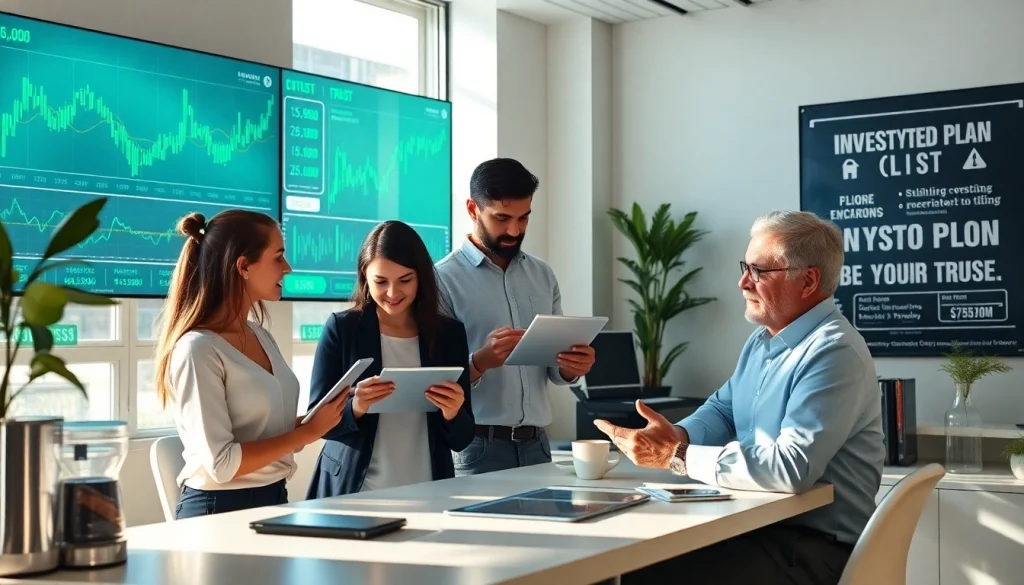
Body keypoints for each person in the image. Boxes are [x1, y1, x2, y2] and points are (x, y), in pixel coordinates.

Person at [595, 210, 885, 585]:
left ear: (808, 280)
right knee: (629, 562)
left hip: (813, 549)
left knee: (639, 574)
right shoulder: (763, 340)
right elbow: (724, 409)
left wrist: (676, 456)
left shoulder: (834, 352)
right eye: (744, 267)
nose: (742, 282)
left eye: (758, 272)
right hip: (763, 529)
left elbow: (790, 468)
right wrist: (677, 436)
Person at [154, 210, 346, 520]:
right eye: (278, 257)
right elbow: (222, 464)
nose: (287, 267)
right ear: (243, 266)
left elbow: (264, 432)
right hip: (217, 513)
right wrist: (306, 434)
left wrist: (318, 421)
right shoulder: (197, 350)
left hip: (274, 498)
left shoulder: (259, 334)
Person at [435, 158, 596, 475]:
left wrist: (570, 367)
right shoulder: (442, 279)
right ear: (472, 209)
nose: (514, 230)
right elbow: (434, 380)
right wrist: (480, 361)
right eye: (502, 218)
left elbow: (554, 371)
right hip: (476, 447)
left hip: (537, 445)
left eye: (524, 218)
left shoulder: (542, 274)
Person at [305, 220, 475, 497]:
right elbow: (316, 424)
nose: (393, 293)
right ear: (364, 276)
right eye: (380, 282)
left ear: (421, 277)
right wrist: (356, 406)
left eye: (405, 280)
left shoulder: (449, 334)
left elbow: (462, 438)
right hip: (354, 488)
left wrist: (453, 412)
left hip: (428, 487)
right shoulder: (343, 328)